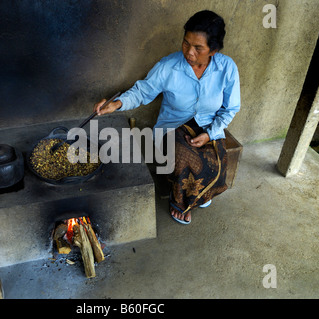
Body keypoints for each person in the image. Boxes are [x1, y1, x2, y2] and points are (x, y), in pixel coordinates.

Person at [93, 10, 241, 225]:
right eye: (186, 43)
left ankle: (199, 194)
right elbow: (143, 92)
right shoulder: (168, 66)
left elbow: (230, 108)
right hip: (173, 127)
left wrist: (210, 134)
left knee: (217, 162)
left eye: (198, 48)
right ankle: (179, 201)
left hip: (208, 126)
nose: (189, 52)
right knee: (182, 157)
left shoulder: (227, 68)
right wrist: (116, 104)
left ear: (214, 50)